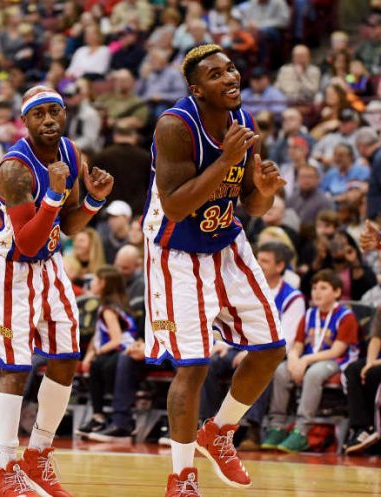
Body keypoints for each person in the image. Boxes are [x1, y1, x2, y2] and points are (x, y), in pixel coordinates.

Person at [143, 45, 287, 496]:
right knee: (194, 365)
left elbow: (252, 203)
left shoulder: (245, 125)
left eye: (231, 69)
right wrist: (225, 161)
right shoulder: (174, 126)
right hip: (175, 248)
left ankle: (219, 431)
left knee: (271, 347)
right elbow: (176, 205)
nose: (229, 78)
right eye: (215, 74)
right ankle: (182, 477)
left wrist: (263, 194)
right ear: (196, 89)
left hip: (224, 239)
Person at [0, 85, 113, 497]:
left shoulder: (71, 151)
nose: (49, 120)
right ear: (26, 121)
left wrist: (92, 202)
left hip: (49, 264)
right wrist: (53, 194)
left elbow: (66, 227)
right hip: (9, 267)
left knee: (67, 356)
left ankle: (39, 454)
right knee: (16, 367)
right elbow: (27, 241)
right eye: (39, 115)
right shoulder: (13, 170)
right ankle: (5, 469)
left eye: (56, 112)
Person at [200, 242, 305, 451]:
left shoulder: (293, 297)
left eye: (265, 261)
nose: (259, 264)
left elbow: (287, 337)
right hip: (239, 347)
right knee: (208, 363)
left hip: (272, 351)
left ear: (280, 266)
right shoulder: (245, 288)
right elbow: (230, 322)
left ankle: (252, 429)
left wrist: (250, 351)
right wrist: (223, 344)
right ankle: (208, 424)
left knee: (259, 364)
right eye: (258, 259)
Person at [261, 270, 359, 453]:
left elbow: (337, 350)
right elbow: (297, 345)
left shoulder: (346, 316)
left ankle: (301, 430)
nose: (317, 292)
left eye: (323, 287)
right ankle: (277, 426)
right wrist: (293, 360)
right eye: (314, 288)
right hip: (310, 360)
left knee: (314, 373)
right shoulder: (308, 315)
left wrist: (304, 360)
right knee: (282, 371)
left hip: (337, 361)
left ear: (337, 292)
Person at [77, 266, 137, 437]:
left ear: (103, 284)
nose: (92, 283)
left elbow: (117, 340)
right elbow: (98, 335)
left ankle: (101, 416)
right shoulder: (114, 305)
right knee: (97, 365)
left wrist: (97, 353)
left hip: (125, 351)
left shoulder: (109, 309)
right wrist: (89, 355)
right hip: (121, 351)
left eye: (95, 280)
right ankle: (100, 416)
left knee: (99, 366)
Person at [343, 305, 381, 454]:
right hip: (377, 361)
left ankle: (375, 428)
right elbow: (376, 338)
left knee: (373, 374)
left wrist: (374, 364)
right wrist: (370, 361)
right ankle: (362, 428)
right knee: (353, 370)